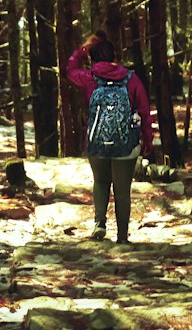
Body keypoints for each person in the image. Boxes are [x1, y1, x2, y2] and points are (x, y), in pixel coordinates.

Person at [65, 31, 154, 244]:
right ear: (114, 56)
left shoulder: (89, 78)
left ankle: (99, 224)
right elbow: (144, 110)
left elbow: (70, 70)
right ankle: (122, 237)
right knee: (122, 191)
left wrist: (82, 49)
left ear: (93, 57)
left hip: (97, 143)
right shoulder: (131, 79)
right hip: (126, 144)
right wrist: (147, 141)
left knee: (101, 181)